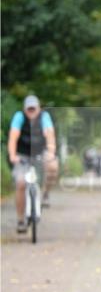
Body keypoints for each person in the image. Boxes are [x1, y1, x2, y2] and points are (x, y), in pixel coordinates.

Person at [7, 95, 57, 233]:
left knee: (52, 167)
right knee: (21, 183)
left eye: (33, 109)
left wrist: (51, 152)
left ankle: (45, 194)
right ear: (24, 109)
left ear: (38, 108)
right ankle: (20, 220)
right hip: (22, 155)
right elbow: (13, 137)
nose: (31, 112)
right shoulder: (19, 117)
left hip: (40, 153)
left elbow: (50, 134)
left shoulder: (44, 117)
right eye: (28, 109)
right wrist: (12, 155)